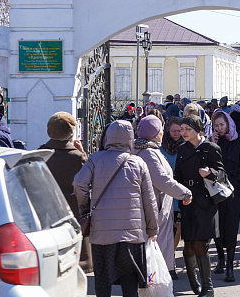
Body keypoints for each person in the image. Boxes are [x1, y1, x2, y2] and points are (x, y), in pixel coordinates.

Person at [73, 120, 159, 297]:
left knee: (102, 283)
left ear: (108, 137)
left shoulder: (95, 159)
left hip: (102, 233)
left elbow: (79, 183)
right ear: (131, 139)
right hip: (132, 235)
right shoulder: (138, 163)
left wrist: (85, 208)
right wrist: (152, 228)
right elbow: (149, 200)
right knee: (129, 285)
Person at [134, 115, 193, 282]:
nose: (162, 132)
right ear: (154, 133)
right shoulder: (148, 153)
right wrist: (185, 193)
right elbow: (163, 180)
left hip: (155, 208)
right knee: (155, 259)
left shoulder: (143, 149)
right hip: (156, 210)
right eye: (160, 129)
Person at [174, 115, 227, 297]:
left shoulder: (211, 149)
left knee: (200, 245)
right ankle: (194, 283)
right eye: (181, 130)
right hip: (188, 201)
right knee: (188, 246)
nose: (183, 133)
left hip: (206, 202)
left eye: (187, 129)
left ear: (198, 129)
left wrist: (210, 172)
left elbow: (222, 175)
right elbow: (177, 177)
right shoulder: (182, 150)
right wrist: (180, 194)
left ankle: (208, 287)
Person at [39, 112, 92, 272]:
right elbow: (88, 181)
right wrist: (83, 153)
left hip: (47, 213)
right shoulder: (77, 156)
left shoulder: (40, 154)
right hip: (73, 211)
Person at [210, 109, 240, 282]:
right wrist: (212, 145)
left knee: (231, 228)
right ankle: (220, 258)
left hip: (234, 191)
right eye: (216, 125)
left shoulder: (239, 142)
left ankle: (229, 265)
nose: (220, 128)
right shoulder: (211, 143)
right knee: (217, 227)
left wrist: (238, 183)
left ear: (228, 124)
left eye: (222, 125)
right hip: (215, 190)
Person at [159, 116, 184, 279]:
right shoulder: (160, 148)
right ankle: (166, 262)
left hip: (180, 192)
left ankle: (171, 258)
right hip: (164, 193)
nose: (176, 134)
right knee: (165, 229)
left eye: (179, 131)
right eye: (173, 130)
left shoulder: (185, 146)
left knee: (177, 228)